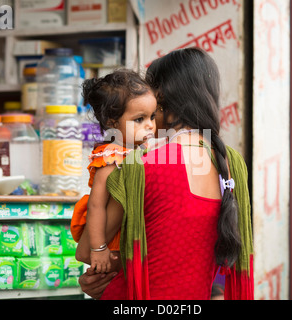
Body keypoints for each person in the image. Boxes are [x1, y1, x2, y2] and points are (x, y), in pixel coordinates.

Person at [76, 47, 254, 300]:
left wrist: (113, 267)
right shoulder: (230, 163)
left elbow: (86, 251)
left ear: (159, 98)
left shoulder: (142, 165)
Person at [70, 69, 157, 274]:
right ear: (112, 122)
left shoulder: (138, 151)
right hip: (103, 235)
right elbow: (96, 206)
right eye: (139, 119)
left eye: (152, 117)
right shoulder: (112, 157)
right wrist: (98, 248)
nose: (150, 126)